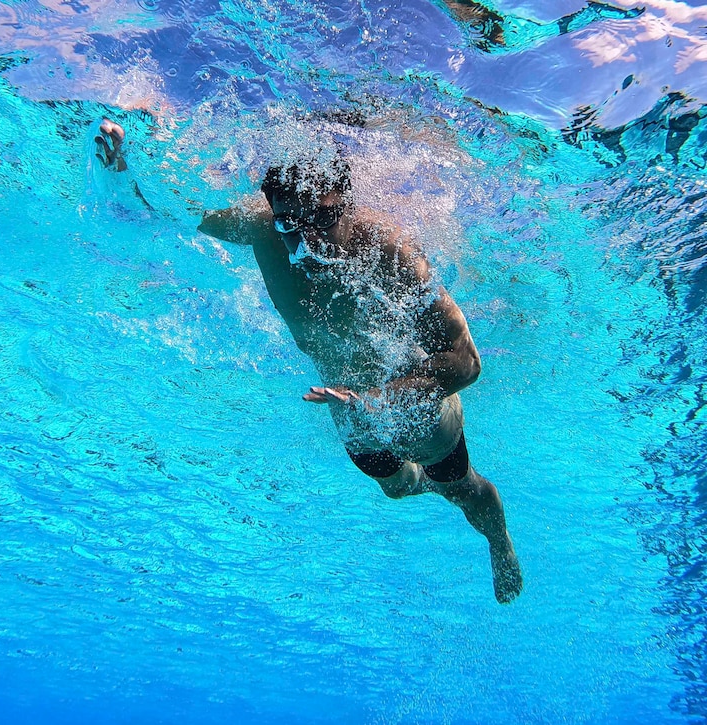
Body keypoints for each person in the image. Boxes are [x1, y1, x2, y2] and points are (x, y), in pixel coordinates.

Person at [95, 116, 523, 603]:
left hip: (414, 405)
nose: (306, 242)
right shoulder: (262, 232)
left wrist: (380, 400)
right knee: (398, 489)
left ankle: (498, 541)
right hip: (341, 405)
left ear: (347, 205)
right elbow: (181, 209)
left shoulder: (391, 254)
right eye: (288, 223)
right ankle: (421, 482)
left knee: (462, 489)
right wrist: (126, 170)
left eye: (321, 219)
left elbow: (466, 362)